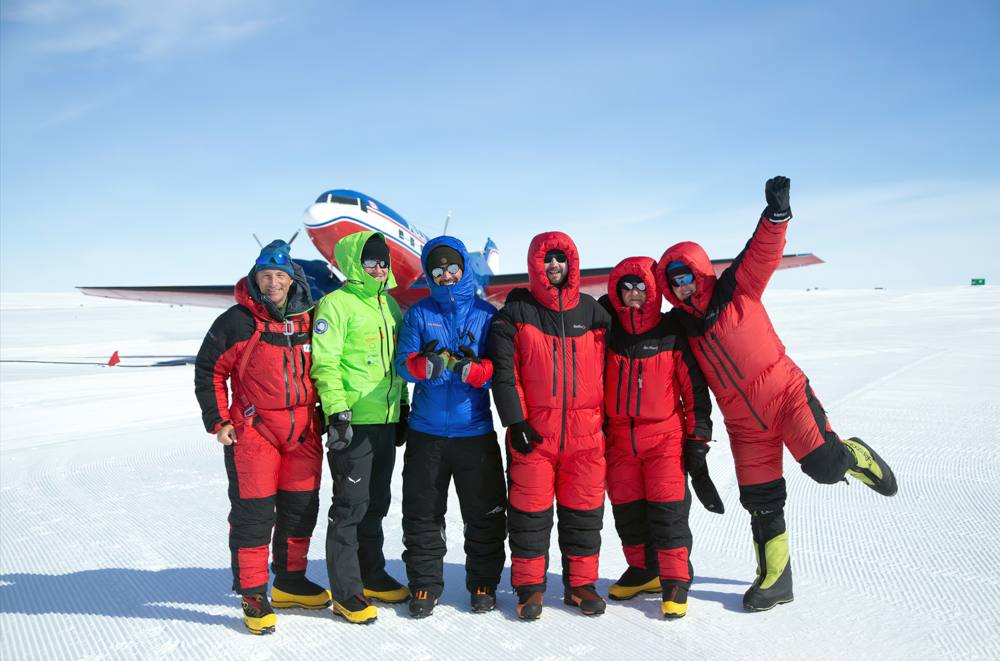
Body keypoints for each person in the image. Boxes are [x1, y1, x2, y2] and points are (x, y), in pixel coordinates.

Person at [656, 176, 898, 612]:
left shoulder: (735, 288)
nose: (682, 287)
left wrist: (776, 215)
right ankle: (776, 578)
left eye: (686, 276)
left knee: (825, 467)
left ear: (698, 272)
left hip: (785, 395)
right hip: (745, 426)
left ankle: (855, 455)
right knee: (761, 502)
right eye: (674, 283)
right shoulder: (681, 327)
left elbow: (762, 253)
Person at [194, 239, 330, 635]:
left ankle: (289, 581)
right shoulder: (236, 321)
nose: (273, 283)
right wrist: (219, 421)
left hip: (304, 430)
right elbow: (210, 371)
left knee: (300, 509)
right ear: (255, 279)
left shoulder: (310, 317)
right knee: (255, 516)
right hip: (255, 434)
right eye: (266, 276)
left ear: (293, 280)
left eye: (280, 276)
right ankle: (253, 593)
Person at [488, 231, 611, 620]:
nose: (554, 265)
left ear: (571, 263)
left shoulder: (593, 313)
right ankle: (529, 588)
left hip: (586, 436)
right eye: (547, 259)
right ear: (535, 266)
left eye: (560, 258)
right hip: (534, 436)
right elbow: (505, 374)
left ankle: (581, 586)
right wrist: (516, 420)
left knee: (584, 514)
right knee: (529, 515)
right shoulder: (516, 314)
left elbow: (618, 364)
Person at [600, 256, 719, 619]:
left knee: (668, 514)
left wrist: (698, 438)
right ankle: (643, 571)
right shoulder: (609, 332)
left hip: (663, 438)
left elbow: (694, 390)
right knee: (628, 513)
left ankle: (675, 580)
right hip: (620, 441)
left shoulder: (670, 332)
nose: (634, 294)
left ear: (652, 291)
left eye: (641, 287)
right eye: (627, 288)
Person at [395, 236, 507, 618]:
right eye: (437, 270)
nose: (445, 276)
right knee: (423, 512)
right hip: (426, 433)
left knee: (484, 513)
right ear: (430, 272)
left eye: (452, 268)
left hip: (474, 432)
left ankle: (484, 582)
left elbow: (502, 370)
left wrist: (477, 371)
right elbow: (401, 364)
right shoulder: (418, 314)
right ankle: (424, 585)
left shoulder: (486, 314)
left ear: (463, 270)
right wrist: (422, 367)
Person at [310, 231, 410, 624]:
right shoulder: (335, 305)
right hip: (352, 423)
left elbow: (396, 369)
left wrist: (402, 407)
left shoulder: (390, 305)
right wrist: (336, 412)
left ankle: (372, 573)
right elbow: (325, 362)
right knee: (350, 508)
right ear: (354, 264)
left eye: (383, 262)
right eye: (371, 262)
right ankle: (347, 591)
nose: (379, 268)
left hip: (384, 422)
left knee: (377, 504)